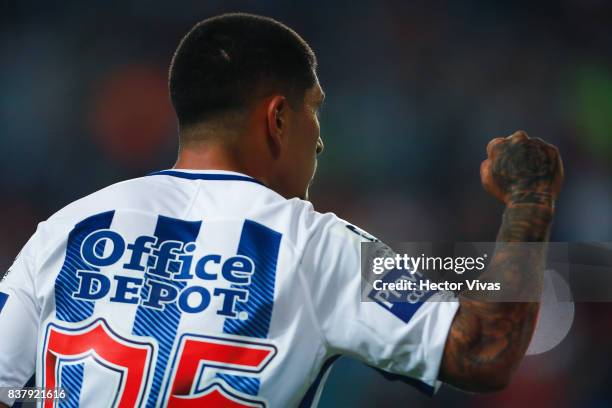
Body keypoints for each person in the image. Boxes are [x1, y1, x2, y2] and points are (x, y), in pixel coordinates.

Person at [0, 13, 563, 408]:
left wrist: (58, 392)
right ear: (278, 118)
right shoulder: (318, 247)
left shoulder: (69, 228)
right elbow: (486, 350)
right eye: (314, 112)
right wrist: (530, 198)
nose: (319, 142)